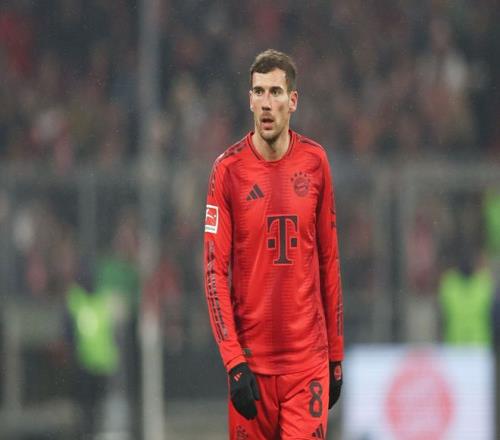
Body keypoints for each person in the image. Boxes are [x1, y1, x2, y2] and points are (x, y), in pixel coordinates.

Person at [203, 49, 344, 439]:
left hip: (307, 366)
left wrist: (335, 354)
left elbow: (329, 262)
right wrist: (234, 361)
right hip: (252, 367)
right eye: (259, 92)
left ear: (293, 100)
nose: (266, 103)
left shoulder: (315, 162)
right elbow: (214, 273)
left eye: (276, 92)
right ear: (249, 99)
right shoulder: (227, 171)